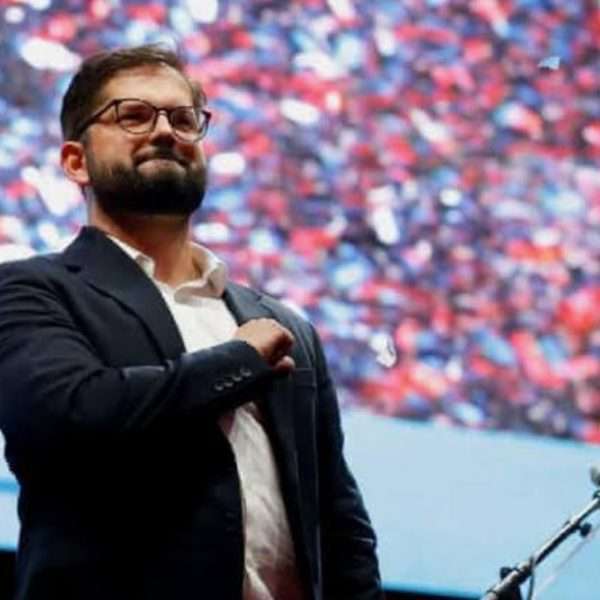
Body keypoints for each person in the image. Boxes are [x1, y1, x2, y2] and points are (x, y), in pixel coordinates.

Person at [0, 44, 382, 600]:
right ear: (75, 161)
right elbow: (71, 416)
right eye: (133, 115)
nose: (166, 132)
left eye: (184, 119)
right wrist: (241, 361)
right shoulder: (32, 290)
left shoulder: (283, 324)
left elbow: (338, 521)